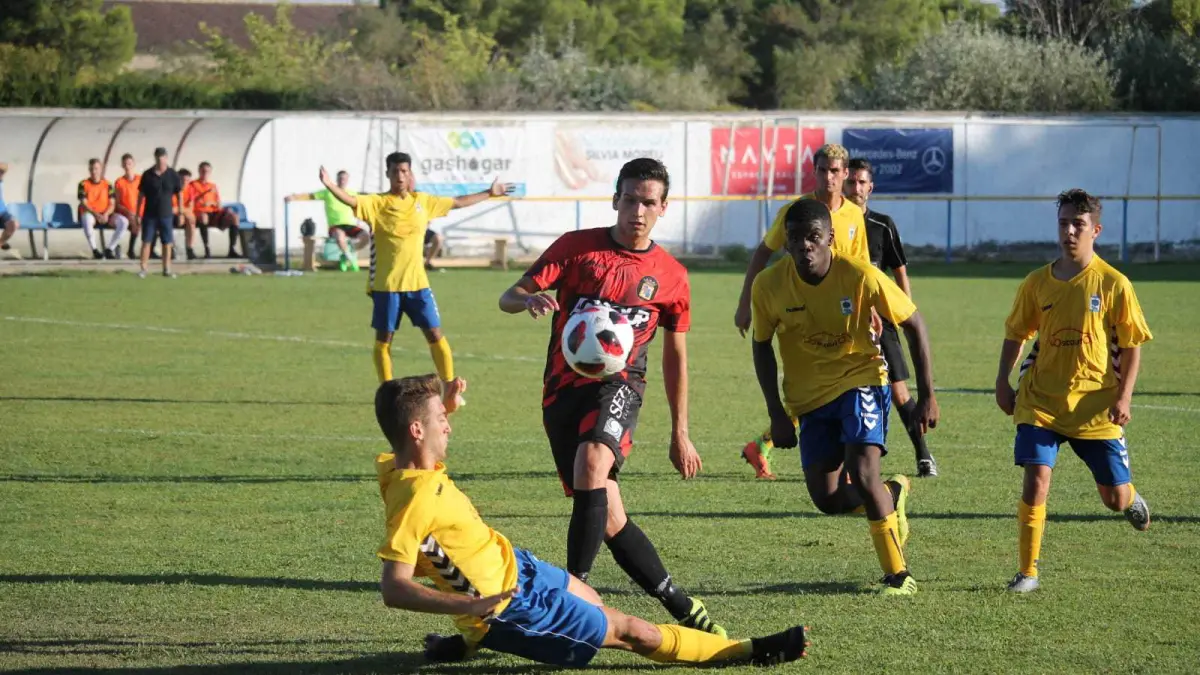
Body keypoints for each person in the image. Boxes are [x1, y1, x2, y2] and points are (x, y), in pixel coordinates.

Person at [374, 374, 810, 668]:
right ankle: (749, 650)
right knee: (632, 632)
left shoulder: (397, 465)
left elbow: (409, 448)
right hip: (508, 608)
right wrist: (468, 607)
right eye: (440, 420)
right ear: (417, 431)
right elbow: (394, 587)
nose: (448, 426)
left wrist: (445, 405)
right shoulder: (415, 497)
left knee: (592, 599)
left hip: (517, 567)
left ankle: (465, 641)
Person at [498, 158, 724, 636]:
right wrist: (529, 299)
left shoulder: (671, 276)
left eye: (648, 202)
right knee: (610, 518)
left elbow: (676, 358)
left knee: (593, 462)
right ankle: (683, 605)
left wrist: (680, 432)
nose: (637, 211)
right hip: (562, 393)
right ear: (615, 199)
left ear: (663, 208)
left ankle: (570, 598)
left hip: (620, 387)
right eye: (630, 200)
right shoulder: (576, 248)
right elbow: (509, 296)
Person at [751, 199, 939, 595]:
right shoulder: (768, 285)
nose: (805, 245)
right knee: (828, 498)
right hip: (809, 398)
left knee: (864, 471)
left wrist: (927, 395)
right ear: (786, 242)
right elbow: (761, 345)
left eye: (814, 237)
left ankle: (899, 575)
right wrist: (777, 413)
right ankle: (892, 494)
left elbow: (915, 324)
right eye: (796, 238)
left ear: (830, 239)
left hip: (862, 378)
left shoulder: (860, 275)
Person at [996, 189, 1153, 594]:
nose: (1069, 231)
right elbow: (1017, 333)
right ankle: (1027, 572)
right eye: (1063, 223)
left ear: (1095, 230)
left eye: (1078, 224)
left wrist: (1124, 397)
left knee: (1113, 499)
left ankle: (1130, 496)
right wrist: (1002, 381)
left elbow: (1131, 344)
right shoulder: (1037, 282)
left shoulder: (1114, 284)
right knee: (1036, 478)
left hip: (1095, 406)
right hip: (1041, 401)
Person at [317, 152, 511, 401]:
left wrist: (489, 193)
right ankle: (387, 393)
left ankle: (450, 389)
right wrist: (330, 185)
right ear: (388, 174)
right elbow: (351, 200)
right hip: (386, 286)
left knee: (435, 335)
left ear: (410, 174)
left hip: (418, 285)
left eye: (404, 171)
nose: (400, 176)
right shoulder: (377, 203)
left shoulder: (423, 202)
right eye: (395, 171)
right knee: (384, 341)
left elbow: (457, 202)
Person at [736, 143, 871, 479]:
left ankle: (767, 446)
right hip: (801, 314)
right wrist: (744, 302)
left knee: (840, 384)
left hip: (842, 316)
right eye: (822, 170)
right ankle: (847, 466)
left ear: (845, 174)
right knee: (818, 387)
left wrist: (872, 312)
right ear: (815, 172)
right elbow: (762, 253)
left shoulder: (854, 215)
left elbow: (863, 268)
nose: (828, 177)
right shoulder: (795, 212)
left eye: (835, 171)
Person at [844, 159, 938, 478]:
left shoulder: (882, 225)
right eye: (851, 181)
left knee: (899, 392)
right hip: (842, 321)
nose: (855, 188)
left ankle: (923, 455)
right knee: (831, 388)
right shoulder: (834, 223)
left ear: (871, 187)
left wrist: (904, 312)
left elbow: (899, 270)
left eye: (861, 182)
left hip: (880, 320)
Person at [285, 169, 367, 272]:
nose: (342, 181)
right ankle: (350, 259)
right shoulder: (328, 192)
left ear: (347, 180)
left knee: (366, 237)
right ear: (337, 179)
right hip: (335, 226)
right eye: (340, 179)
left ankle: (349, 253)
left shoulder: (352, 193)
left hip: (349, 225)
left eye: (344, 179)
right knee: (340, 236)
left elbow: (365, 198)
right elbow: (311, 196)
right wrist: (294, 197)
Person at [137, 147, 183, 278]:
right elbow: (141, 195)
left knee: (167, 242)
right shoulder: (148, 174)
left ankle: (166, 269)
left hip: (166, 214)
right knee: (146, 241)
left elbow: (179, 194)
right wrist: (137, 213)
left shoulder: (172, 174)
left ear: (166, 158)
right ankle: (143, 268)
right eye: (158, 156)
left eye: (162, 156)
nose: (160, 159)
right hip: (149, 214)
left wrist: (180, 213)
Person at [188, 161, 240, 259]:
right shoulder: (193, 185)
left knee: (234, 217)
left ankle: (232, 249)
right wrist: (202, 200)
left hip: (214, 212)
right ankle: (207, 248)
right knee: (204, 217)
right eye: (203, 171)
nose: (205, 173)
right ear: (199, 171)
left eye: (207, 171)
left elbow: (218, 204)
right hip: (200, 213)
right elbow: (190, 201)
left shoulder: (212, 186)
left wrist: (212, 203)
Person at [113, 154, 144, 259]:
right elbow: (117, 203)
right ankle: (130, 250)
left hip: (140, 212)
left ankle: (151, 249)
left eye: (129, 163)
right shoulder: (119, 182)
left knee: (153, 222)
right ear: (122, 165)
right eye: (125, 164)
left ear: (133, 164)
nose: (127, 166)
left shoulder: (140, 179)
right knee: (135, 222)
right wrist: (128, 212)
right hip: (126, 213)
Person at [0, 162, 18, 254]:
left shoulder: (0, 181)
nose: (1, 174)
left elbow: (4, 166)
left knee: (14, 224)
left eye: (2, 172)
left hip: (2, 212)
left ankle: (1, 242)